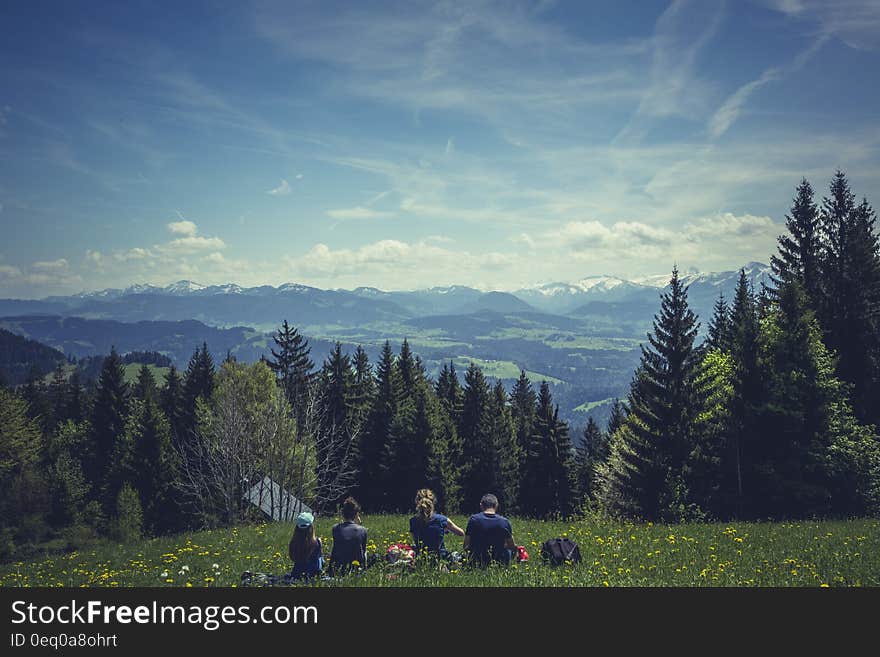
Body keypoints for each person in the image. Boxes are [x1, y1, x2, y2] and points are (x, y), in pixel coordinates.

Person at [409, 488, 464, 560]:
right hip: (440, 557)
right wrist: (447, 529)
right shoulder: (442, 519)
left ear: (417, 502)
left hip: (422, 558)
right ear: (433, 502)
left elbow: (416, 540)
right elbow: (461, 533)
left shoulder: (413, 521)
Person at [463, 493, 516, 567]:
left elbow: (466, 545)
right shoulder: (504, 522)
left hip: (477, 562)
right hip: (499, 562)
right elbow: (512, 546)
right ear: (496, 505)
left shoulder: (474, 520)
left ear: (481, 505)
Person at [329, 496, 368, 576]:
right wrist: (359, 524)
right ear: (356, 514)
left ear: (343, 513)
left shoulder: (335, 528)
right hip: (356, 569)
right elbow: (363, 551)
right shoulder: (362, 530)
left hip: (338, 568)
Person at [288, 511, 324, 580]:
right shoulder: (317, 542)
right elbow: (319, 560)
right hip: (313, 575)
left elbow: (292, 557)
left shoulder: (293, 542)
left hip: (297, 573)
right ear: (311, 527)